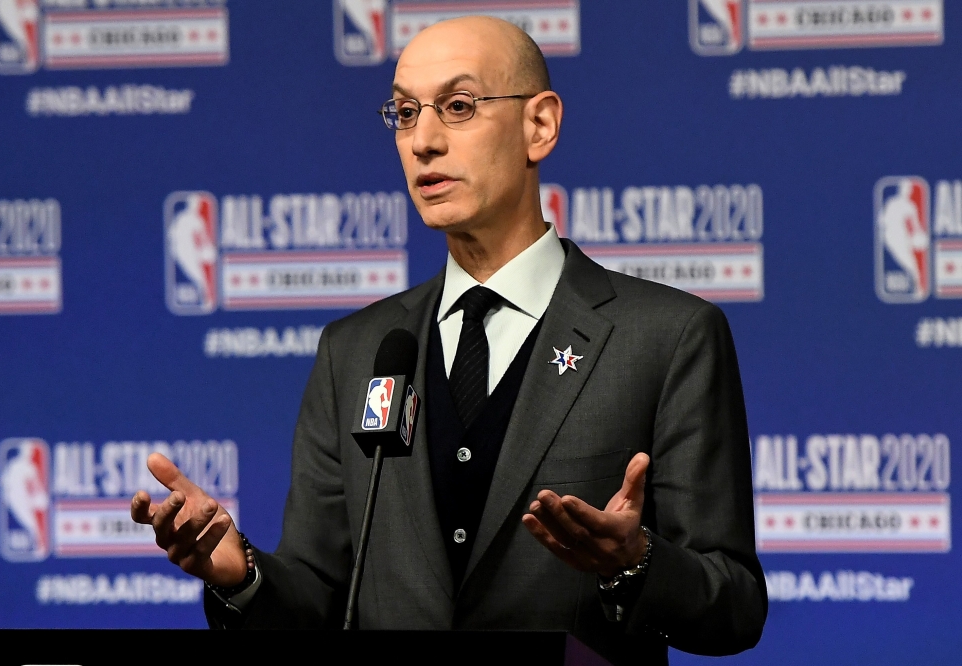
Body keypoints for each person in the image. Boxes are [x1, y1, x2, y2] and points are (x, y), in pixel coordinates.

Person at [131, 16, 766, 664]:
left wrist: (636, 563)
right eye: (405, 113)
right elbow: (320, 602)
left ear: (539, 125)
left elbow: (735, 605)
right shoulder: (357, 351)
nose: (423, 141)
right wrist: (243, 575)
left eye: (458, 107)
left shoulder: (666, 337)